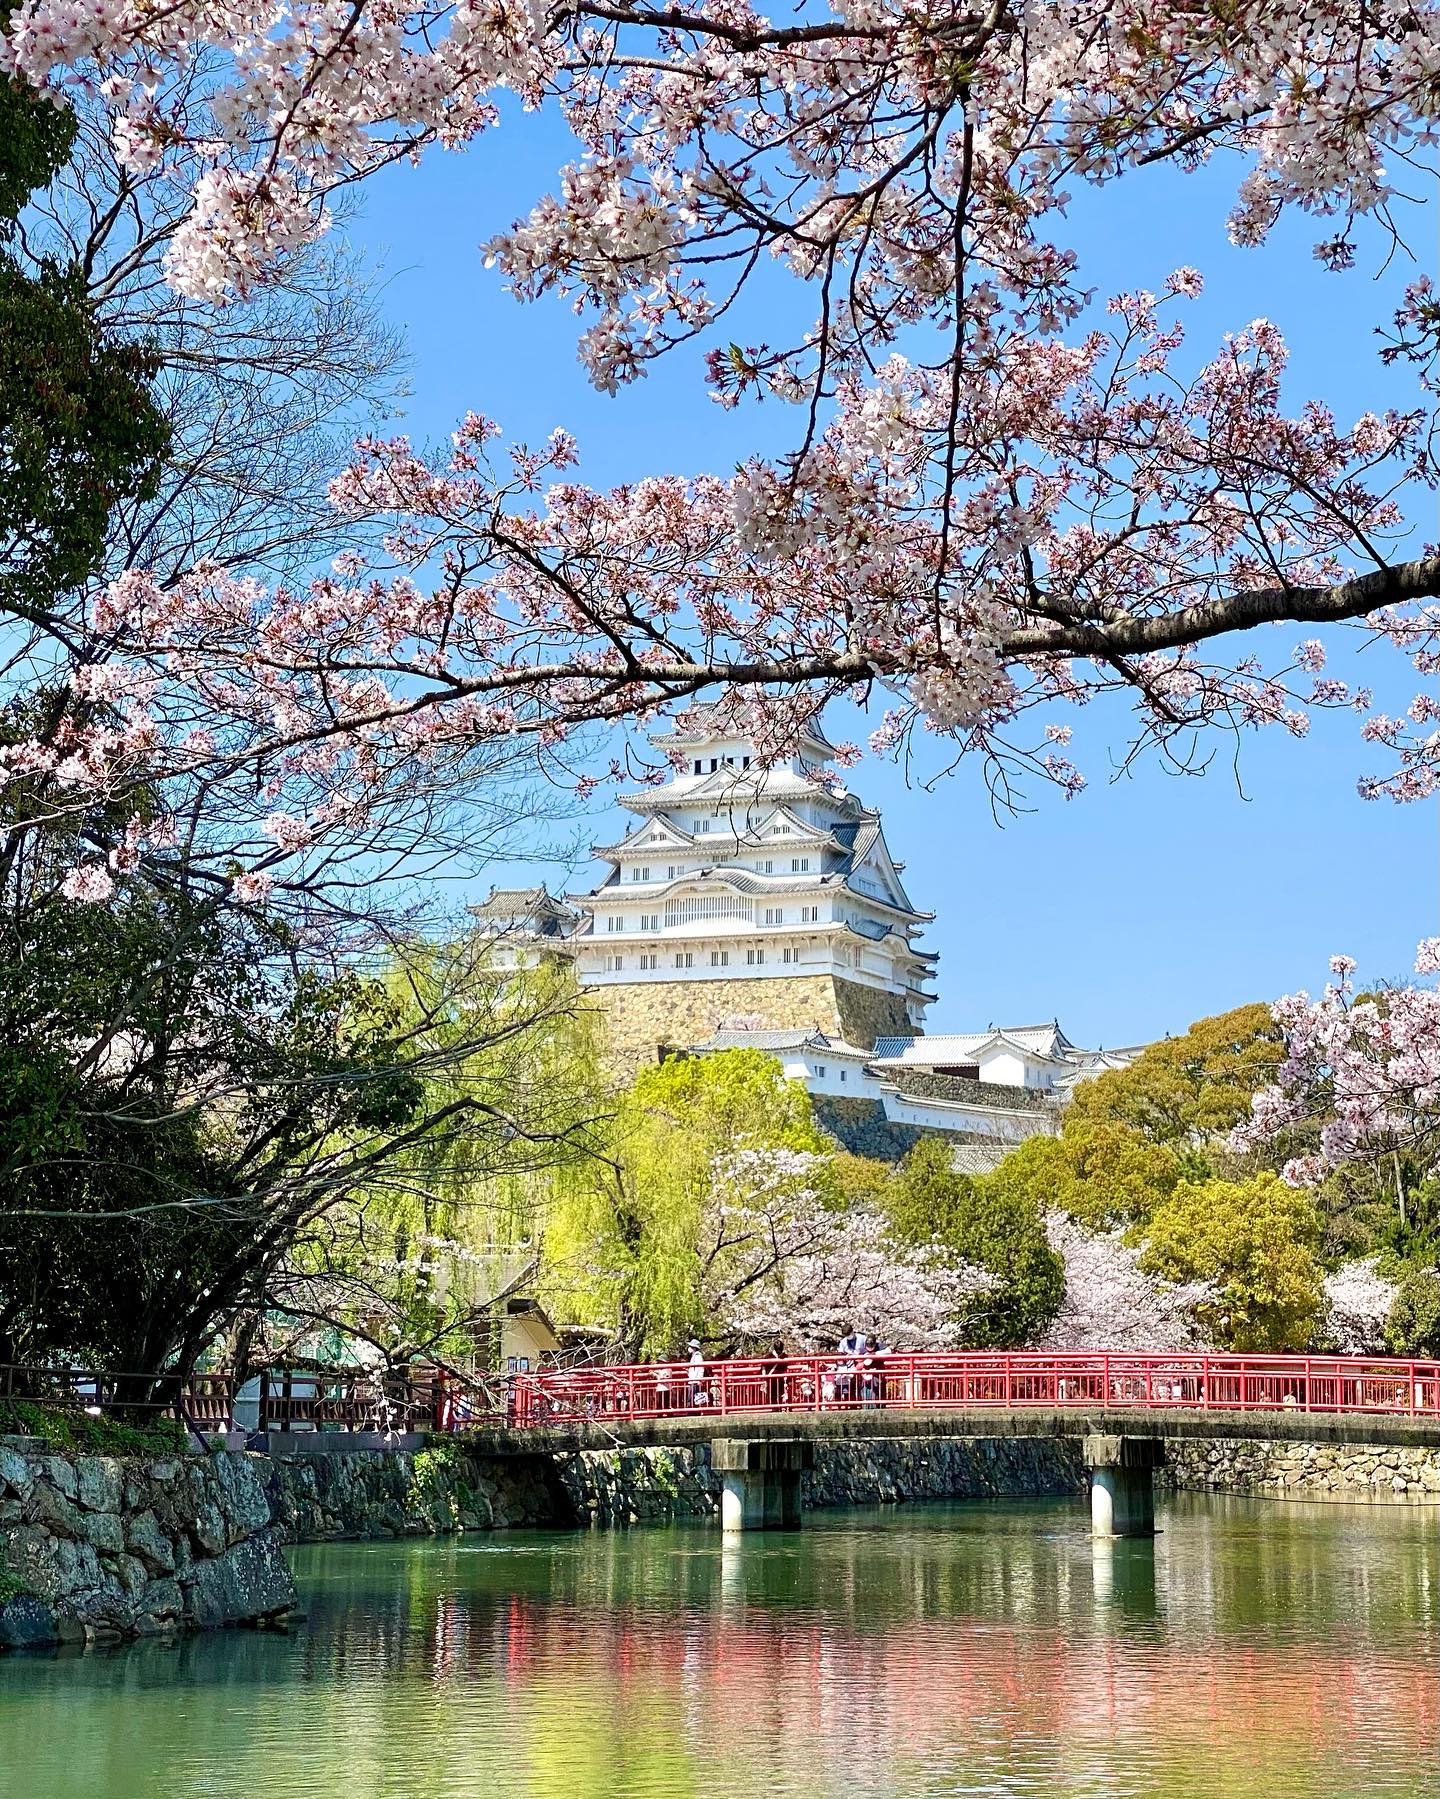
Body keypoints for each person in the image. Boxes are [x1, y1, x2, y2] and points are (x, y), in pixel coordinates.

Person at [762, 1337, 787, 1409]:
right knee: (772, 1394)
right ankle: (774, 1408)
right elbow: (763, 1367)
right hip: (771, 1378)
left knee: (781, 1393)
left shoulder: (784, 1356)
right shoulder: (768, 1356)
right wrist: (764, 1379)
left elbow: (786, 1368)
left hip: (781, 1379)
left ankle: (780, 1407)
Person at [687, 1338, 708, 1408]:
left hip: (695, 1380)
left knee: (694, 1397)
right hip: (692, 1379)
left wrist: (699, 1379)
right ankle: (691, 1410)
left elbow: (701, 1368)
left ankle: (693, 1411)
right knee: (692, 1396)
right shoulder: (694, 1356)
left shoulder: (698, 1356)